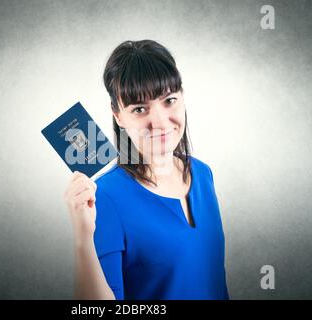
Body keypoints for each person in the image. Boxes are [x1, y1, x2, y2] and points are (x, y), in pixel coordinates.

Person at [64, 40, 229, 300]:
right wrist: (83, 239)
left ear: (183, 97)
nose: (160, 122)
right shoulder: (103, 197)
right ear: (118, 115)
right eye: (140, 109)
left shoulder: (203, 174)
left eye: (169, 100)